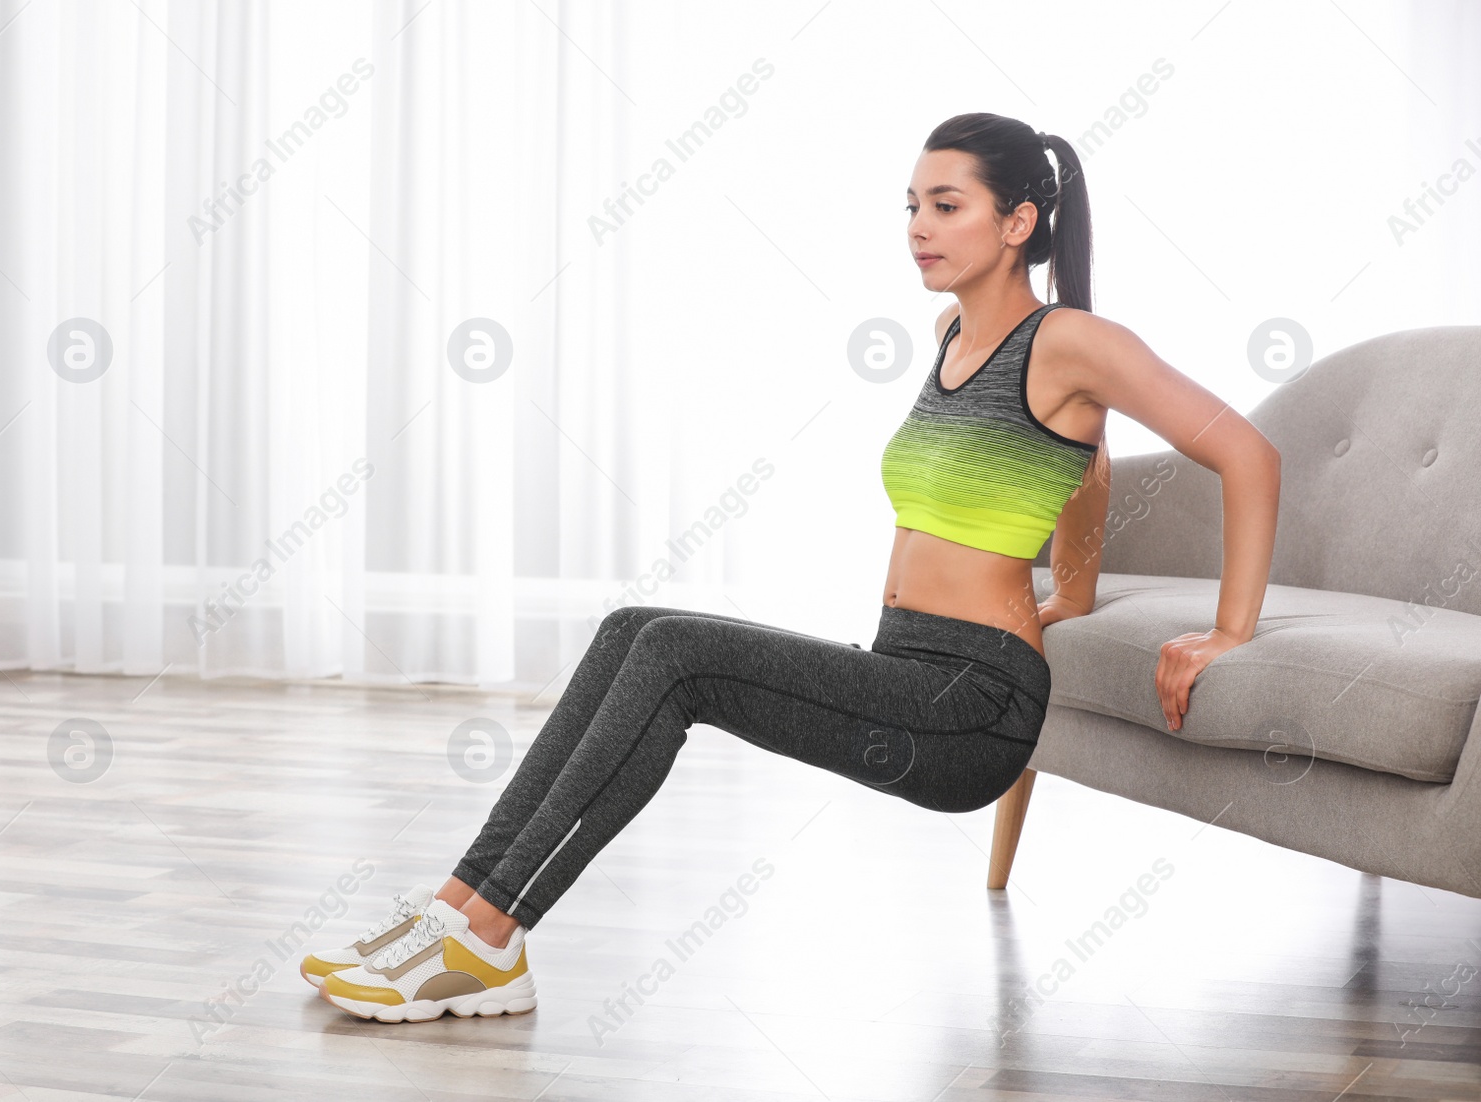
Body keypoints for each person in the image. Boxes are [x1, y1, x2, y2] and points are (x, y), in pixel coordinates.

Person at [302, 111, 1281, 1023]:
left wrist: (1228, 630)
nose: (917, 228)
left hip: (969, 706)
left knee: (676, 655)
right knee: (629, 629)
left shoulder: (1071, 340)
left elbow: (1247, 452)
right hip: (906, 669)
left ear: (1019, 219)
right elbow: (1087, 466)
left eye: (946, 206)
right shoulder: (950, 335)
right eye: (910, 206)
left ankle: (489, 939)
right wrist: (1070, 587)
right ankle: (457, 906)